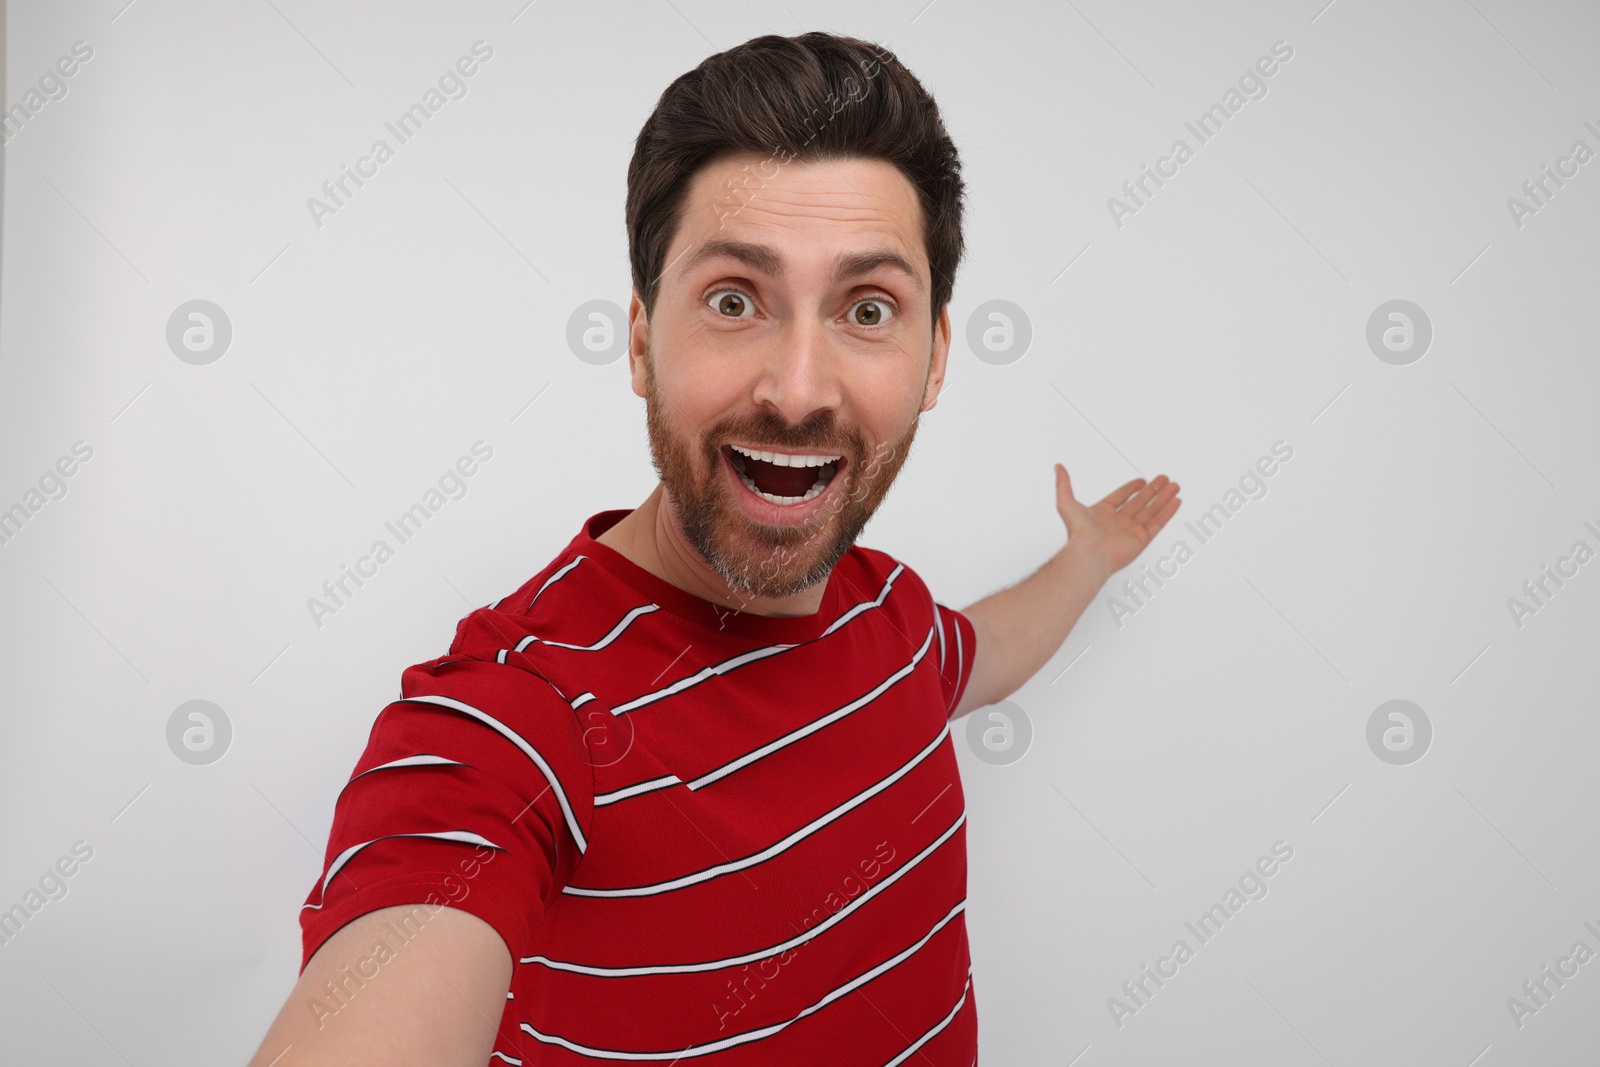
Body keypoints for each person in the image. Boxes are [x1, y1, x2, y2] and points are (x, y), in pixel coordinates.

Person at [248, 30, 1179, 1067]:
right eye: (734, 299)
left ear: (933, 359)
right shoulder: (515, 718)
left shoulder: (893, 617)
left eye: (868, 309)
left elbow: (985, 652)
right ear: (643, 342)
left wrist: (1091, 555)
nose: (796, 387)